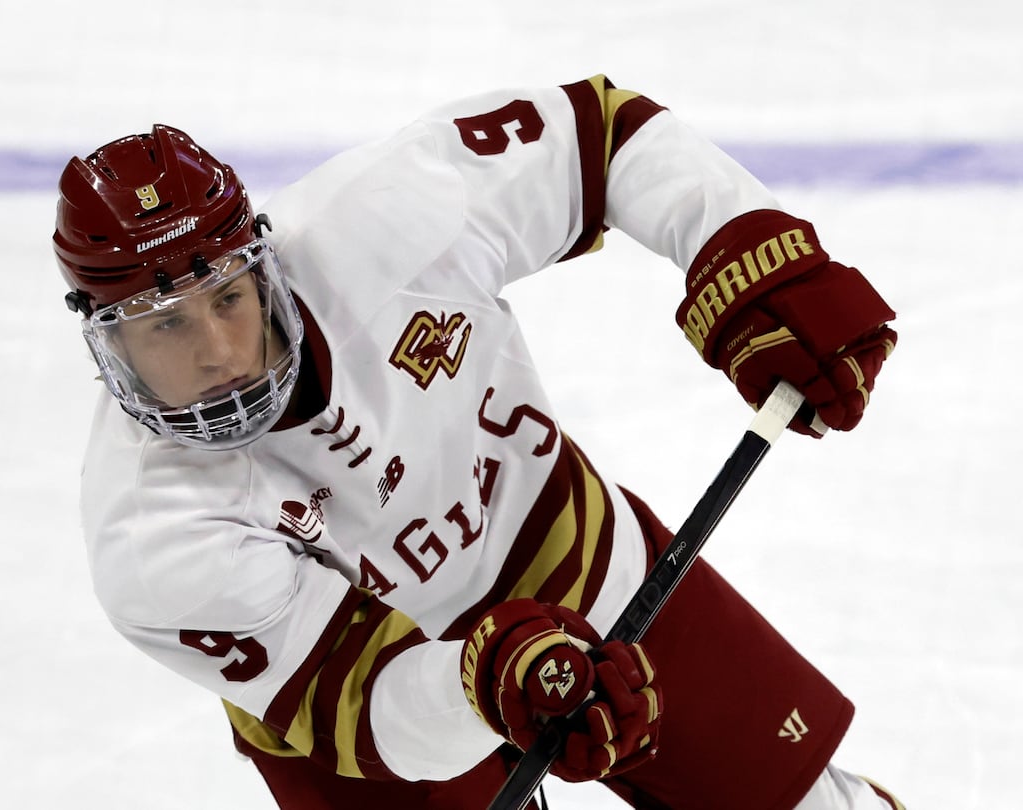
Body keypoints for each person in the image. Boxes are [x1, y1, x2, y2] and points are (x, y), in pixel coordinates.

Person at [51, 75, 903, 809]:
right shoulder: (150, 536)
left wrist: (744, 251)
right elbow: (368, 703)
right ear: (105, 343)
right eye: (161, 324)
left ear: (262, 260)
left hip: (579, 559)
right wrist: (487, 685)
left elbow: (600, 135)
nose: (220, 353)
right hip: (375, 735)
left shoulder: (386, 218)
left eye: (228, 297)